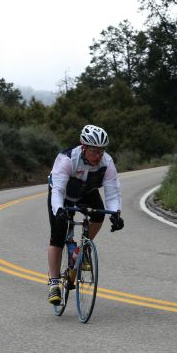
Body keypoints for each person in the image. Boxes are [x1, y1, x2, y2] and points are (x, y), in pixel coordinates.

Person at [47, 124, 124, 305]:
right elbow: (57, 190)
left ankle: (81, 251)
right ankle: (54, 282)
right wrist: (59, 210)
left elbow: (113, 193)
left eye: (101, 151)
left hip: (85, 193)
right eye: (94, 151)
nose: (98, 156)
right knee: (57, 235)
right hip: (63, 194)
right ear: (83, 147)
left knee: (99, 215)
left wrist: (116, 213)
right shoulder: (66, 159)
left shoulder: (107, 162)